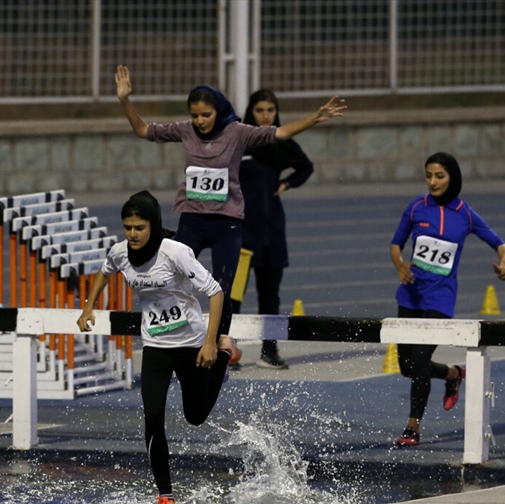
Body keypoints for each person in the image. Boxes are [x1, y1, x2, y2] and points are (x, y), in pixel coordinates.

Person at [115, 65, 345, 341]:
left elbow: (280, 133)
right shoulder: (185, 130)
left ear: (219, 111)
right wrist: (125, 100)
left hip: (227, 225)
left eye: (206, 115)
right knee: (168, 276)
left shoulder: (237, 132)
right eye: (195, 115)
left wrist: (316, 118)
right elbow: (142, 130)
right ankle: (172, 336)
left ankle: (218, 342)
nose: (200, 121)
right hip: (193, 220)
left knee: (222, 288)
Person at [77, 190, 240, 504]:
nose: (132, 234)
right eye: (127, 227)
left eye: (139, 227)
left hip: (191, 343)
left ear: (153, 225)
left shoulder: (176, 252)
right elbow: (104, 272)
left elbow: (216, 292)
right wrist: (88, 307)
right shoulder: (120, 253)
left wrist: (210, 343)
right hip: (155, 346)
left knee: (195, 416)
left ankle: (225, 354)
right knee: (152, 417)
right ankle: (165, 498)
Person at [389, 153, 505, 446]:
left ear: (452, 178)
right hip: (410, 296)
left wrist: (504, 264)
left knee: (420, 360)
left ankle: (412, 427)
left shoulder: (465, 214)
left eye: (439, 176)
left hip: (440, 300)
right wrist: (400, 266)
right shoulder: (416, 208)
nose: (432, 182)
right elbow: (396, 244)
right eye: (428, 176)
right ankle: (453, 374)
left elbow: (500, 244)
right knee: (407, 366)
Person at [234, 89, 315, 370]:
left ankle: (269, 351)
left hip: (272, 233)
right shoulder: (240, 142)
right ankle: (228, 349)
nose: (266, 116)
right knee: (234, 294)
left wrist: (288, 183)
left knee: (270, 295)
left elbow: (306, 167)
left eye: (270, 110)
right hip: (242, 232)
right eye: (260, 110)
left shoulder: (283, 143)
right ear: (251, 112)